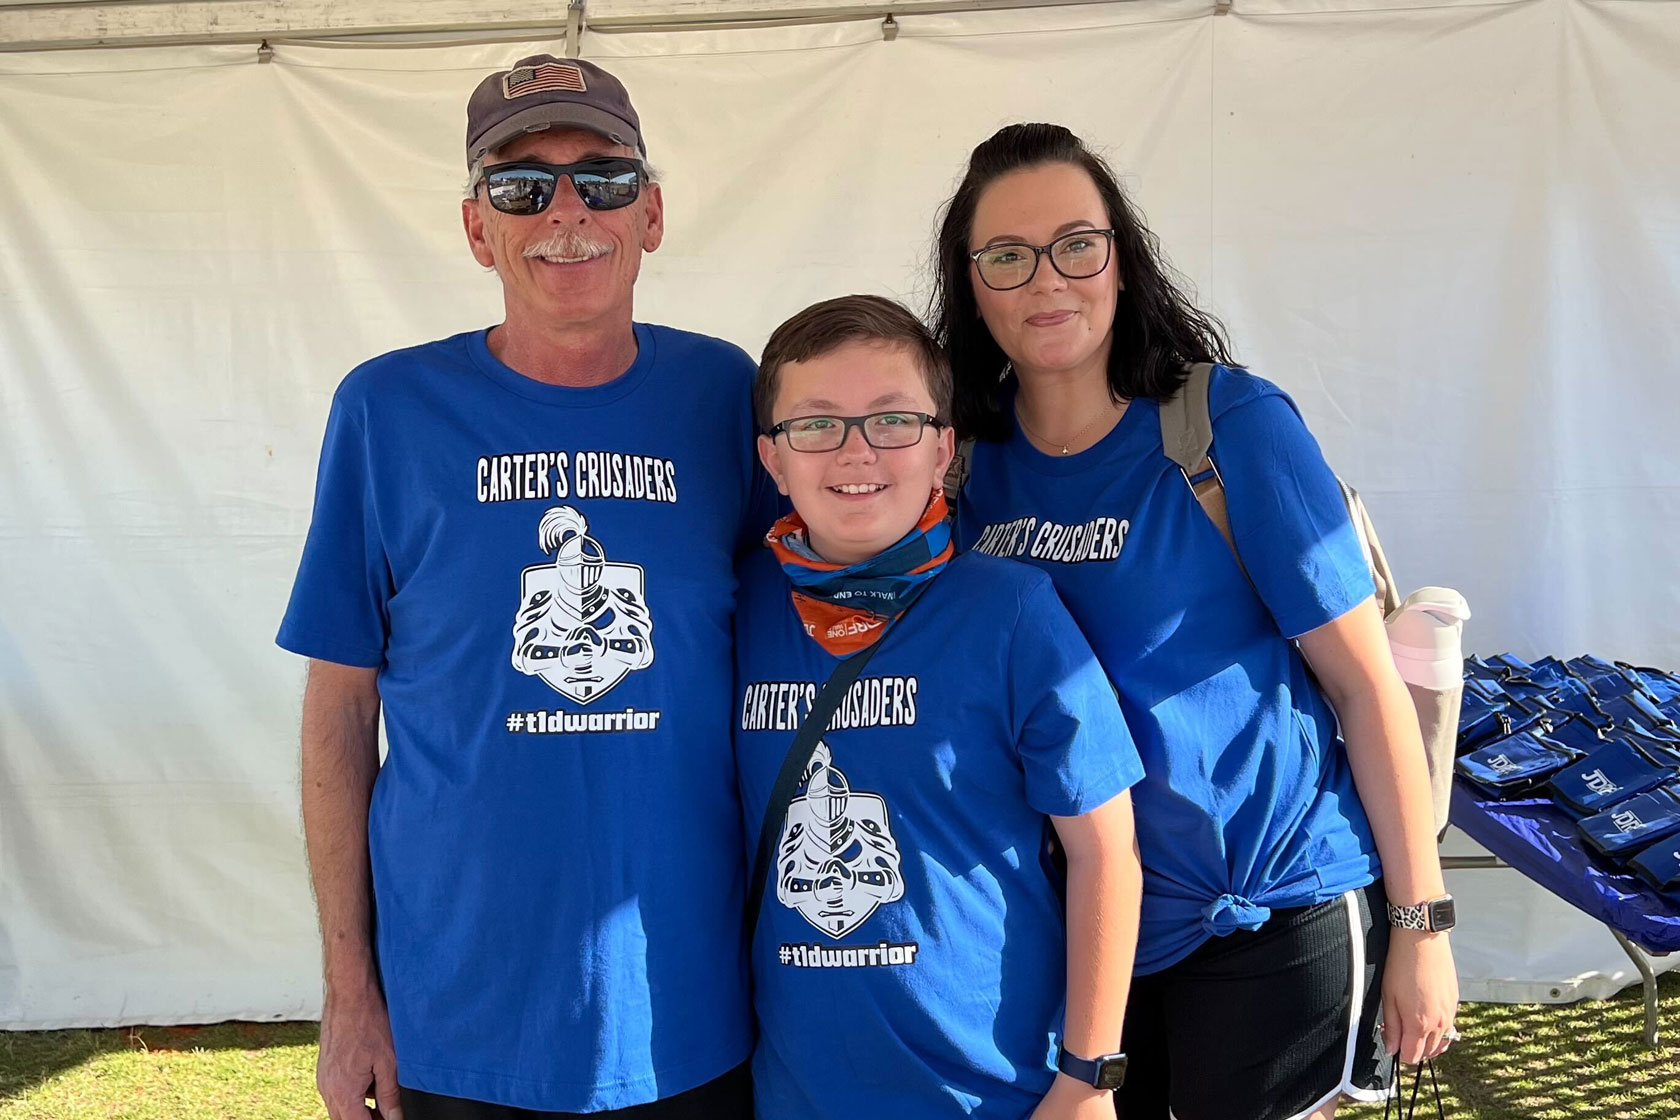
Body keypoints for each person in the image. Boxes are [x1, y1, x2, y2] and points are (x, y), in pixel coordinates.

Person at [277, 55, 773, 1120]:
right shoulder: (387, 412)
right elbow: (338, 710)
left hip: (686, 1004)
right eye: (520, 186)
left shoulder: (727, 395)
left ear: (650, 214)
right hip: (457, 1017)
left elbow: (801, 640)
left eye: (603, 178)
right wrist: (349, 993)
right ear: (476, 228)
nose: (565, 211)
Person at [930, 124, 1459, 1120]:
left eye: (1076, 245)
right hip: (1083, 930)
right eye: (1006, 256)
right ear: (971, 283)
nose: (1047, 280)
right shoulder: (960, 464)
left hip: (1271, 915)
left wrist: (1422, 924)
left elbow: (1363, 684)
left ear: (1121, 259)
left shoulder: (1226, 426)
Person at [735, 294, 1145, 1120]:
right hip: (796, 1095)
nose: (856, 450)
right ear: (773, 460)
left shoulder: (1012, 612)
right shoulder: (735, 609)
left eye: (893, 421)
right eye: (816, 425)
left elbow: (1107, 851)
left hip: (995, 1093)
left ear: (943, 449)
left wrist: (1088, 1075)